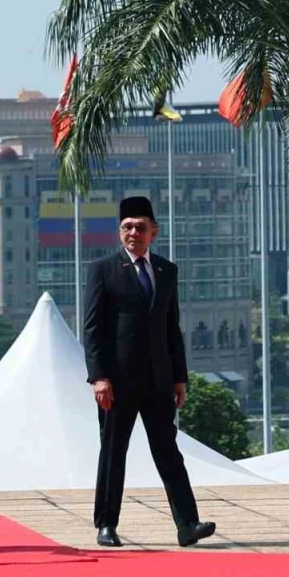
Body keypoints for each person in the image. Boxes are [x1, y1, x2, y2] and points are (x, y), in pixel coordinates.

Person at [84, 195, 217, 548]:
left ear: (153, 233)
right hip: (117, 383)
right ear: (119, 232)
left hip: (159, 381)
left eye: (140, 227)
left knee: (168, 452)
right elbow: (93, 330)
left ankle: (188, 524)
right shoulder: (103, 270)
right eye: (127, 227)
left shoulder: (165, 271)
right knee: (113, 452)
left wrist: (179, 378)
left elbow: (172, 329)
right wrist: (99, 376)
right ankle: (106, 525)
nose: (133, 233)